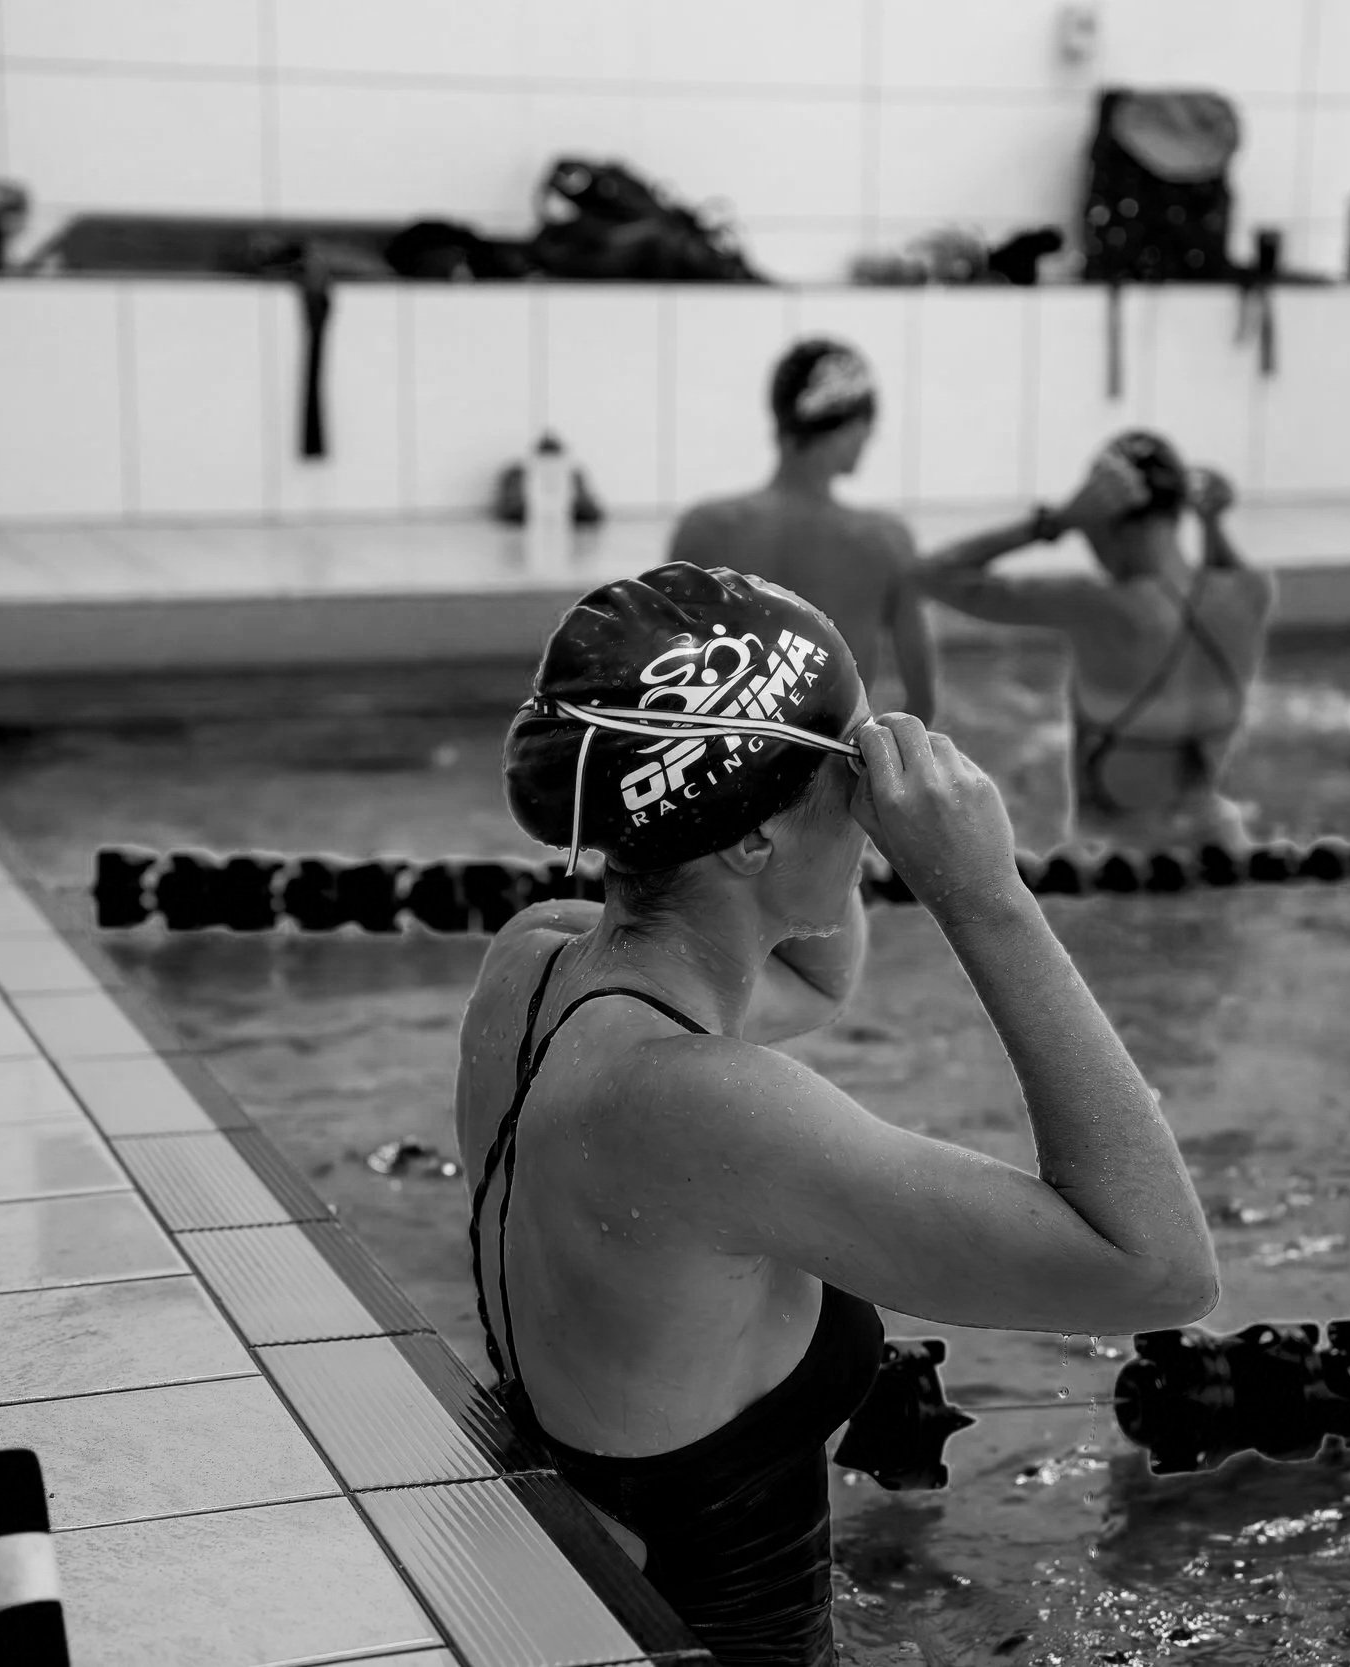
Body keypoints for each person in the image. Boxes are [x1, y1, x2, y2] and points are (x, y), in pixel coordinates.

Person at [462, 564, 1218, 1665]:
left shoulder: (535, 963)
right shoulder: (706, 1102)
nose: (879, 793)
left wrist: (828, 751)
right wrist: (984, 894)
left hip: (594, 1590)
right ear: (750, 836)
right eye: (849, 765)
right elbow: (1160, 1269)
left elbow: (815, 985)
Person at [914, 433, 1278, 856]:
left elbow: (932, 576)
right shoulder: (1250, 594)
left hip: (1118, 865)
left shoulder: (1098, 605)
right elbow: (1218, 574)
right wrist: (1212, 524)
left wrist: (1058, 521)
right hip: (1225, 849)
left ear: (1106, 523)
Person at [667, 339, 941, 722]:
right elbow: (922, 706)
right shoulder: (886, 542)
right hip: (838, 773)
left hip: (731, 774)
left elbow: (665, 682)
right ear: (849, 424)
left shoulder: (702, 529)